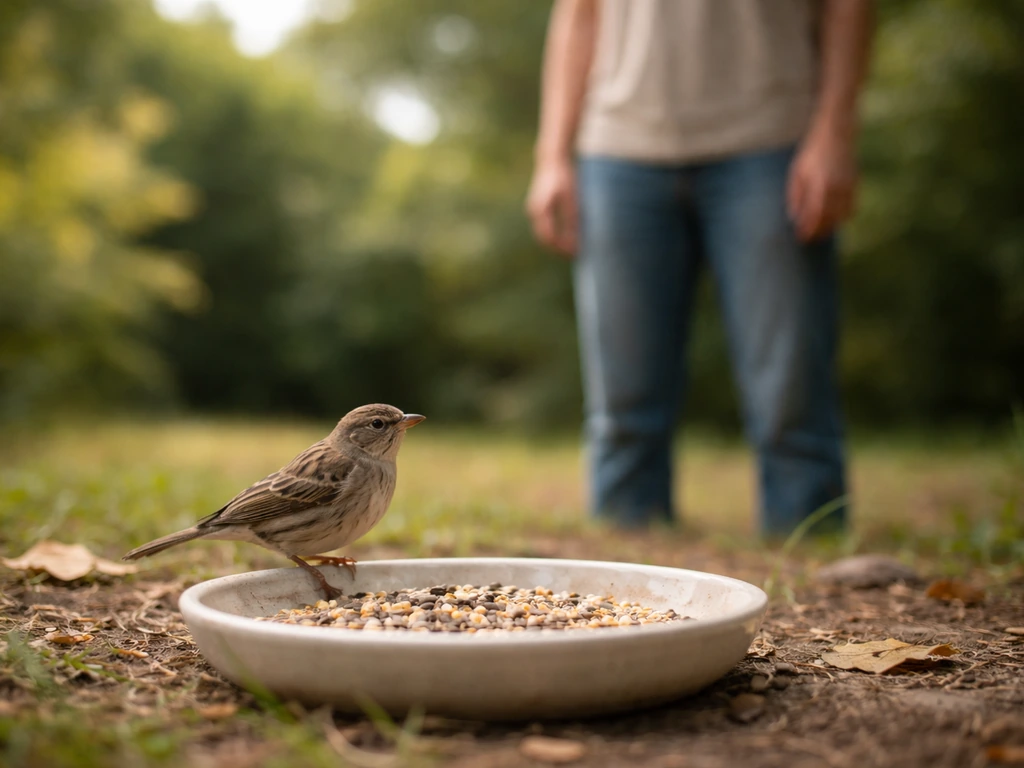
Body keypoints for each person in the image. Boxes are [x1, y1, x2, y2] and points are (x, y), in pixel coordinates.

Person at [526, 0, 873, 536]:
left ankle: (811, 537)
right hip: (618, 147)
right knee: (623, 394)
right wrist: (551, 157)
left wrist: (835, 133)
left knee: (791, 383)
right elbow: (577, 13)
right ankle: (625, 546)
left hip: (772, 137)